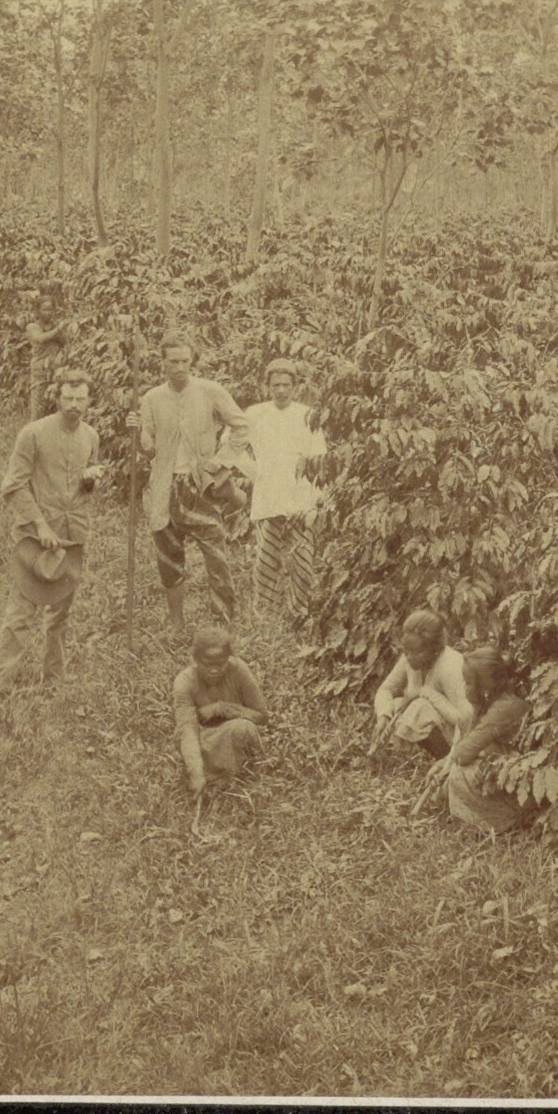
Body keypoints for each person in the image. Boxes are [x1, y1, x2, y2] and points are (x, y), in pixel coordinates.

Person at [0, 369, 105, 698]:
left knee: (60, 613)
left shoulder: (91, 436)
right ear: (56, 398)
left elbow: (85, 487)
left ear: (89, 400)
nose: (74, 405)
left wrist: (90, 481)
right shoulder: (33, 434)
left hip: (73, 535)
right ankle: (0, 684)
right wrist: (40, 525)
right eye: (68, 398)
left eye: (80, 399)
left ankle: (53, 680)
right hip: (36, 538)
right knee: (21, 612)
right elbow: (13, 486)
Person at [136, 333, 251, 636]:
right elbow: (148, 449)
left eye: (185, 361)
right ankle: (176, 624)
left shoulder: (210, 391)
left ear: (192, 361)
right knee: (169, 556)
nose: (179, 367)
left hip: (201, 485)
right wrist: (139, 435)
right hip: (165, 487)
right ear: (162, 363)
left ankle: (222, 622)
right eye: (173, 362)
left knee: (215, 553)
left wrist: (222, 461)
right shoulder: (151, 399)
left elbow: (241, 426)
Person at [241, 357, 326, 635]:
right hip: (268, 496)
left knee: (302, 561)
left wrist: (316, 502)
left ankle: (298, 615)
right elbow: (229, 445)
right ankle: (263, 618)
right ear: (266, 386)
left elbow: (319, 460)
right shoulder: (254, 414)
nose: (280, 390)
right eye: (275, 385)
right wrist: (256, 472)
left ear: (296, 387)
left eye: (286, 385)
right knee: (266, 560)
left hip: (300, 498)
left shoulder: (308, 415)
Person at [436, 647, 533, 832]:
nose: (465, 688)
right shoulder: (490, 703)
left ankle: (498, 823)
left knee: (460, 774)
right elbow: (468, 743)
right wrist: (442, 766)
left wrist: (454, 765)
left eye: (468, 683)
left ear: (485, 688)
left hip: (519, 786)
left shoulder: (505, 707)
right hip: (506, 775)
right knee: (450, 775)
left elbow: (463, 754)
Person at [173, 624, 270, 795]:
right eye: (208, 664)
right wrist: (196, 772)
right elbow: (187, 730)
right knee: (185, 743)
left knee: (243, 728)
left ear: (229, 659)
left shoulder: (238, 670)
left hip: (235, 738)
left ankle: (237, 780)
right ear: (195, 660)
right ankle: (208, 780)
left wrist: (224, 709)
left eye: (221, 664)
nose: (215, 671)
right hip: (202, 741)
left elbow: (262, 717)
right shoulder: (185, 681)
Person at [371, 609, 473, 760]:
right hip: (443, 726)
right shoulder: (409, 657)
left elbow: (467, 720)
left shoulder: (449, 666)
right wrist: (383, 715)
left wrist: (427, 693)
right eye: (406, 651)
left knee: (420, 708)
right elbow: (386, 690)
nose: (409, 657)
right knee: (396, 705)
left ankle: (447, 759)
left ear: (434, 650)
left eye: (417, 652)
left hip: (463, 738)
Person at [24, 295, 72, 419]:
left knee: (56, 410)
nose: (48, 313)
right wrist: (58, 329)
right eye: (45, 309)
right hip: (40, 373)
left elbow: (66, 344)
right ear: (38, 311)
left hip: (56, 372)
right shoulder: (32, 327)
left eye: (51, 309)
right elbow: (40, 338)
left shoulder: (54, 326)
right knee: (38, 412)